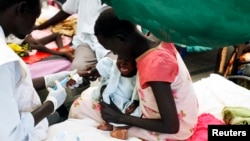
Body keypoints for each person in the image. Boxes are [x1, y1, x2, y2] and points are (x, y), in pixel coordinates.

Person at [68, 8, 199, 141]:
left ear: (121, 38)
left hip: (176, 128)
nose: (116, 55)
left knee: (81, 106)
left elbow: (171, 126)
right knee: (88, 97)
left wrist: (120, 118)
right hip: (175, 114)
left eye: (113, 50)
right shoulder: (154, 37)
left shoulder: (155, 65)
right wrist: (99, 70)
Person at [0, 0, 77, 140]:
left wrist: (50, 79)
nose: (33, 27)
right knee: (57, 115)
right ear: (22, 9)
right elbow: (12, 136)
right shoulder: (4, 62)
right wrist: (51, 104)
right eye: (34, 17)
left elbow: (7, 87)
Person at [69, 56, 141, 140]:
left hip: (126, 103)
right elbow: (100, 69)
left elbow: (138, 92)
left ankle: (119, 129)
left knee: (136, 113)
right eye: (120, 58)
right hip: (110, 98)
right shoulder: (113, 67)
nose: (123, 63)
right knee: (104, 103)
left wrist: (135, 103)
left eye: (128, 60)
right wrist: (86, 73)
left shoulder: (138, 76)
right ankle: (108, 124)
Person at [33, 0, 116, 73]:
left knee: (114, 69)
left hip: (113, 43)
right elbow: (66, 11)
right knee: (76, 71)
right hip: (86, 42)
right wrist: (39, 27)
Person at [7, 33, 75, 61]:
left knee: (57, 35)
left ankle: (61, 49)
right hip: (17, 46)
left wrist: (30, 38)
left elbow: (26, 35)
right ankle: (64, 54)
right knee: (39, 47)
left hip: (23, 41)